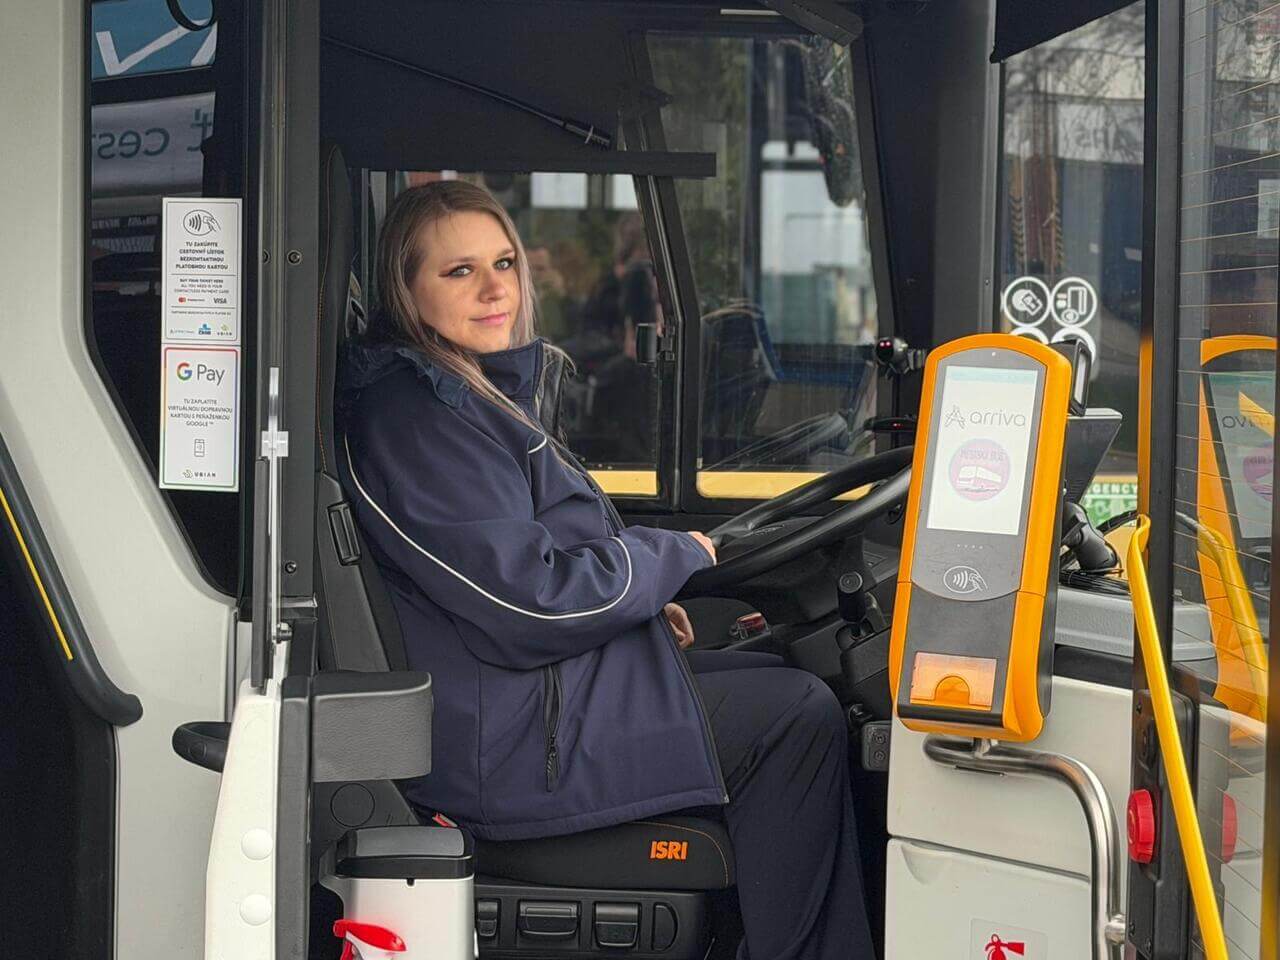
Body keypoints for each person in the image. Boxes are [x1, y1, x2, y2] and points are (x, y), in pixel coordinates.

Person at [338, 180, 875, 960]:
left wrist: (639, 605)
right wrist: (669, 558)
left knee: (782, 667)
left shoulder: (464, 394)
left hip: (522, 704)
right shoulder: (420, 417)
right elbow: (529, 604)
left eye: (504, 263)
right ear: (406, 288)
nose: (494, 289)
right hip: (512, 744)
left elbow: (533, 565)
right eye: (459, 271)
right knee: (798, 711)